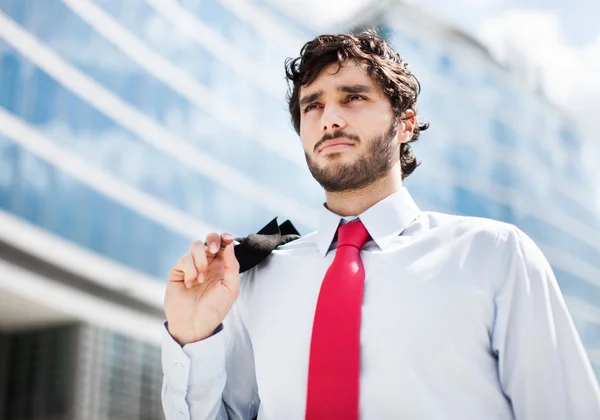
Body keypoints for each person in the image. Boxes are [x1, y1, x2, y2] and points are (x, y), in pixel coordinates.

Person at [161, 30, 600, 420]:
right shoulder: (252, 278)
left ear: (405, 124)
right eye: (312, 105)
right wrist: (192, 335)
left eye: (353, 97)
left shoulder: (495, 254)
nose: (329, 117)